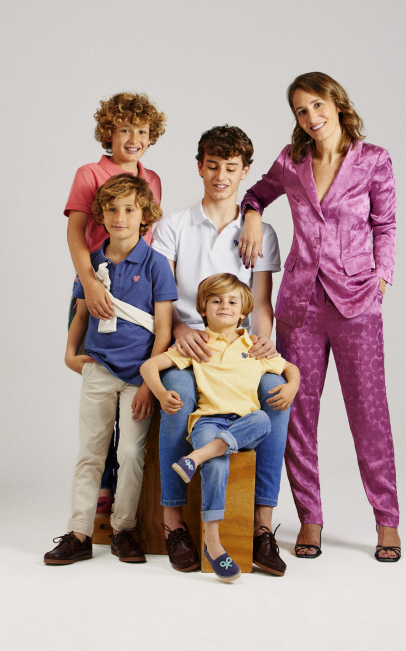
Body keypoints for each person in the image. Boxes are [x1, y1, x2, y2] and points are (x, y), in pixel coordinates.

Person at [238, 72, 401, 562]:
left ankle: (387, 520)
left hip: (356, 303)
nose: (311, 117)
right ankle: (310, 517)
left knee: (369, 414)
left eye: (317, 105)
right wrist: (252, 215)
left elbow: (385, 223)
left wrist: (381, 277)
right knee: (297, 413)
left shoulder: (374, 160)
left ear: (336, 102)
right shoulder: (293, 160)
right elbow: (256, 194)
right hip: (300, 305)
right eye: (301, 111)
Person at [151, 125, 291, 576]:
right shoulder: (173, 226)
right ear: (199, 167)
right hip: (188, 341)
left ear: (245, 171)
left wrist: (264, 343)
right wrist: (178, 330)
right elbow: (163, 297)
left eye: (231, 168)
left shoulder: (262, 232)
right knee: (178, 395)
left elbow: (261, 303)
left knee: (276, 395)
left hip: (238, 344)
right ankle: (174, 522)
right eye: (212, 166)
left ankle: (262, 525)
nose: (221, 176)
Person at [44, 174, 177, 565]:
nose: (120, 217)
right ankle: (79, 533)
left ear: (145, 215)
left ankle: (123, 530)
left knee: (131, 453)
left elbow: (164, 330)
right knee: (91, 452)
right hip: (99, 369)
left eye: (130, 210)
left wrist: (149, 384)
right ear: (100, 215)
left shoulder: (156, 265)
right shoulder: (92, 263)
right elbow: (81, 313)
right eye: (112, 209)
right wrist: (69, 354)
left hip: (138, 377)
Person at [141, 274, 300, 581]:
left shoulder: (253, 347)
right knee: (216, 466)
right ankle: (213, 545)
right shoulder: (198, 345)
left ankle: (196, 457)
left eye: (232, 302)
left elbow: (290, 369)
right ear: (202, 310)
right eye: (216, 301)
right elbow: (149, 366)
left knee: (263, 419)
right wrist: (160, 393)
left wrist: (292, 386)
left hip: (244, 425)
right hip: (207, 422)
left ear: (243, 313)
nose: (224, 306)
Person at [64, 92, 166, 512]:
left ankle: (128, 496)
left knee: (133, 398)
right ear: (108, 133)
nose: (133, 138)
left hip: (138, 302)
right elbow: (75, 232)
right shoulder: (89, 173)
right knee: (101, 392)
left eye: (141, 131)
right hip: (94, 293)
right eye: (124, 129)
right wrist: (90, 284)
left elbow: (148, 236)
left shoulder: (152, 179)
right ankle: (103, 492)